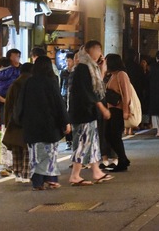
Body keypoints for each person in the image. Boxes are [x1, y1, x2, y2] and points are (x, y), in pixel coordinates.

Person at [17, 55, 72, 190]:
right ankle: (51, 179)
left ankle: (38, 182)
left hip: (32, 126)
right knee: (50, 153)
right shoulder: (51, 81)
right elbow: (59, 104)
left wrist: (19, 120)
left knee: (35, 154)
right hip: (49, 125)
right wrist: (65, 122)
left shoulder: (28, 82)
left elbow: (20, 104)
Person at [66, 46, 113, 185]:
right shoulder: (82, 68)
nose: (100, 54)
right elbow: (89, 91)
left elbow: (93, 87)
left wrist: (102, 70)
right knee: (83, 142)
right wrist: (102, 107)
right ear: (92, 52)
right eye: (99, 51)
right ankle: (75, 175)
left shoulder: (89, 68)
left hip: (86, 112)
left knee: (92, 143)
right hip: (82, 112)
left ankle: (96, 172)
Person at [2, 62, 33, 183]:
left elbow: (8, 105)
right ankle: (26, 174)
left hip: (13, 121)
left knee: (16, 148)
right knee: (27, 148)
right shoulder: (31, 84)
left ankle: (17, 173)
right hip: (27, 121)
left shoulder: (14, 85)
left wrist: (7, 122)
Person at [103, 53, 132, 172]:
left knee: (114, 136)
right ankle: (123, 159)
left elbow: (126, 93)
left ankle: (122, 161)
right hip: (112, 109)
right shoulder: (112, 75)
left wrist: (126, 110)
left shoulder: (121, 74)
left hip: (118, 109)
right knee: (109, 135)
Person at [0, 49, 21, 126]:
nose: (16, 59)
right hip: (3, 101)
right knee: (4, 122)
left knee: (15, 123)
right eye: (14, 57)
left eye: (17, 57)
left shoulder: (22, 69)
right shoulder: (14, 71)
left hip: (17, 101)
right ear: (9, 58)